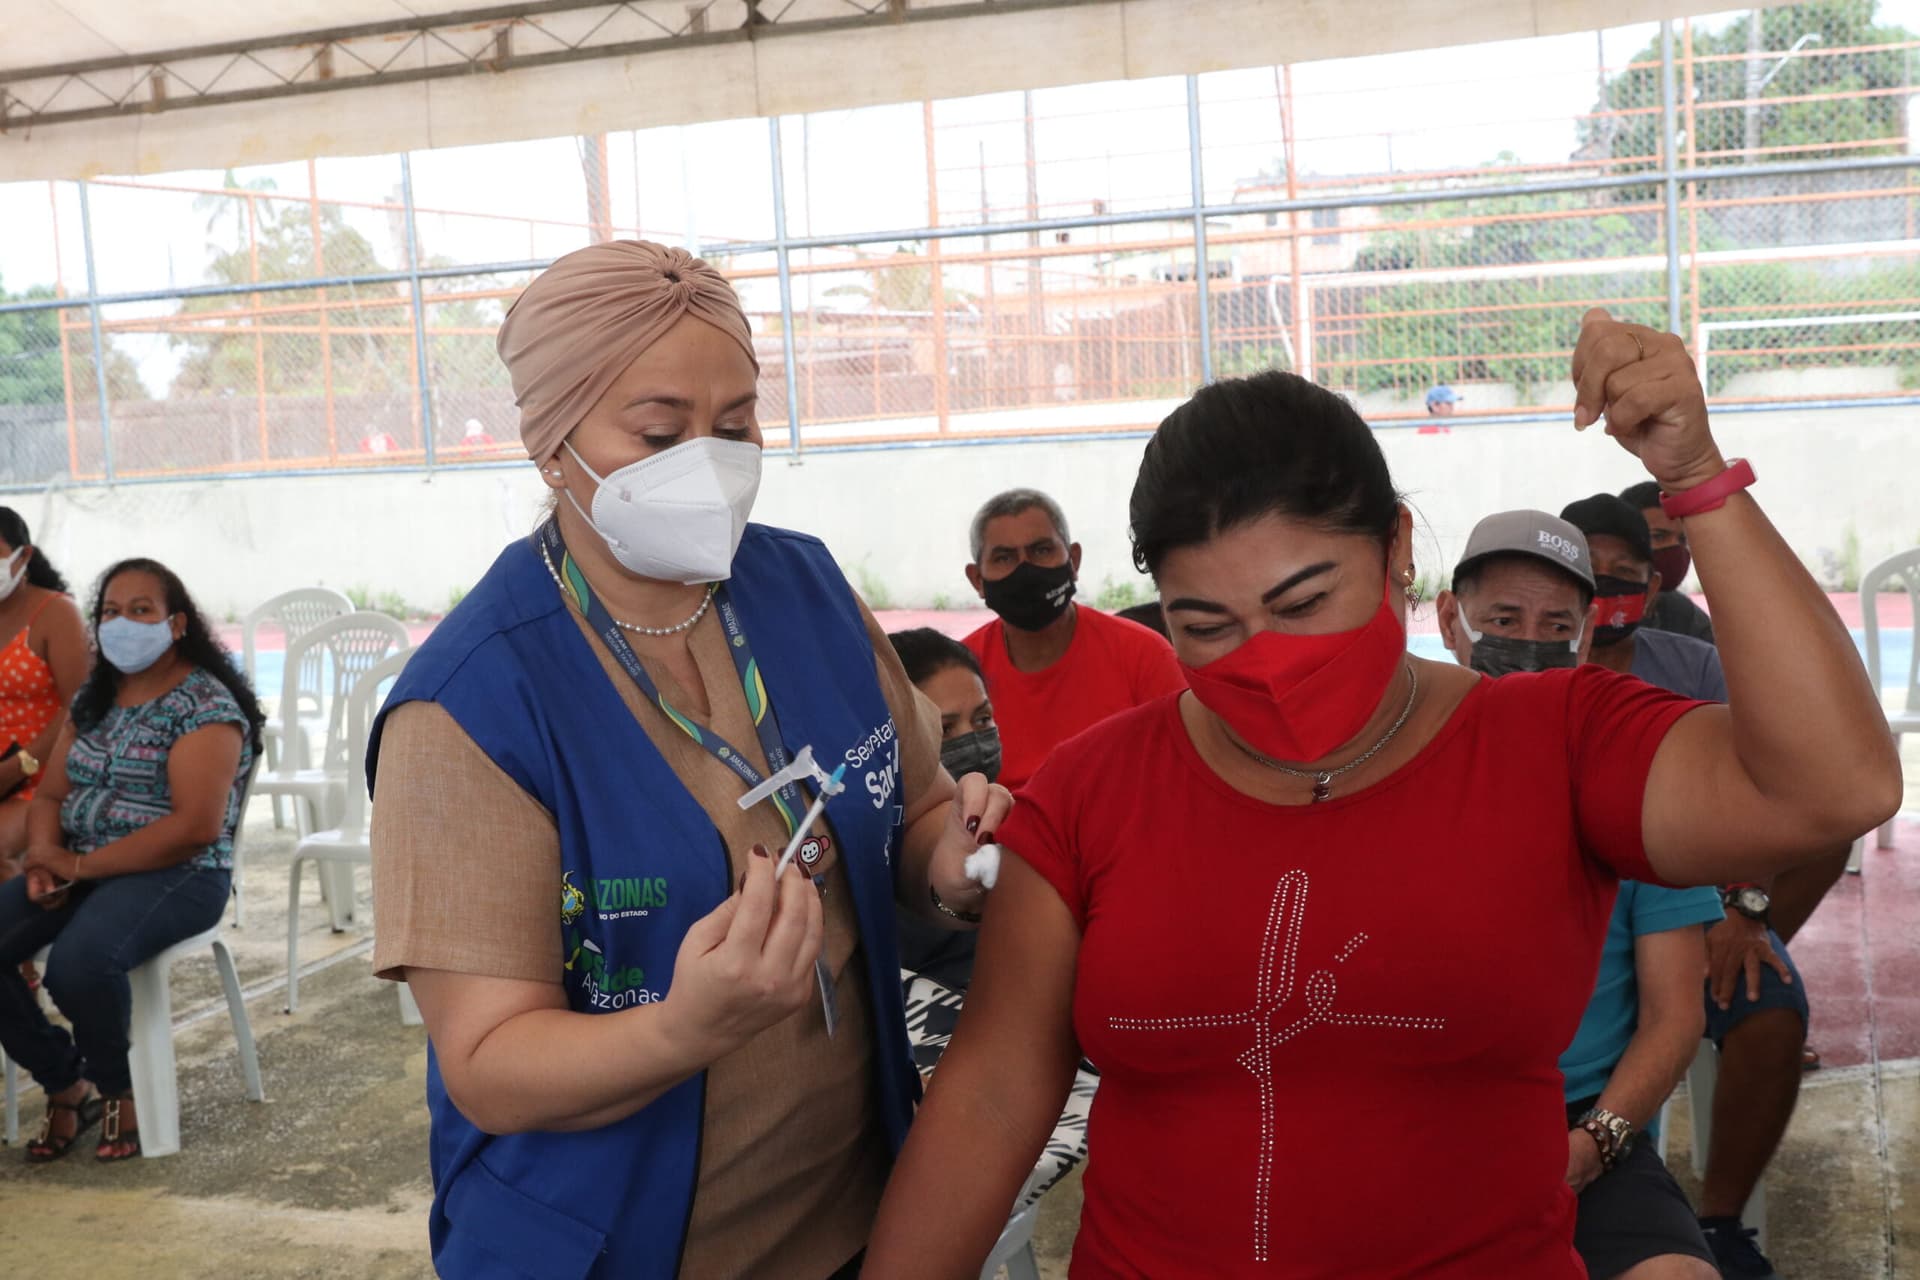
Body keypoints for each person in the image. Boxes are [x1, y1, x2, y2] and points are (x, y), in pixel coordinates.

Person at [862, 310, 1901, 1279]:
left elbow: (1832, 782)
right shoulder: (1093, 790)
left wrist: (1697, 475)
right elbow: (994, 1094)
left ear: (1401, 549)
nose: (1265, 659)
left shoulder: (1552, 741)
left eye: (1304, 600)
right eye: (1206, 624)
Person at [366, 240, 1008, 1280]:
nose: (708, 461)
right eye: (660, 430)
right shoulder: (472, 706)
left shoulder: (798, 587)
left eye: (737, 422)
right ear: (551, 442)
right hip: (614, 1244)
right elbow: (488, 1062)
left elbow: (917, 803)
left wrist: (954, 860)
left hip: (857, 1211)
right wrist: (685, 1028)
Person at [1562, 492, 1845, 1280]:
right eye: (1590, 576)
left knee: (1769, 1011)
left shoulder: (1691, 667)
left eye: (1628, 575)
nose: (1606, 593)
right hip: (1597, 944)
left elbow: (1802, 797)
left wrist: (1745, 911)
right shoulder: (1508, 681)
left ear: (1650, 589)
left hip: (1704, 907)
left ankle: (1720, 1221)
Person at [1437, 510, 1721, 1280]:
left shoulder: (1634, 785)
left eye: (1554, 623)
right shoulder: (1382, 769)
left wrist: (1593, 1146)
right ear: (1447, 620)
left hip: (1577, 1125)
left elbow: (1673, 1015)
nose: (1527, 643)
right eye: (1502, 618)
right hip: (1415, 1121)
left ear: (1586, 637)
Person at [0, 558, 261, 1163]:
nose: (122, 625)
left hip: (178, 875)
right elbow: (53, 795)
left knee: (79, 964)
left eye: (140, 611)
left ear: (175, 626)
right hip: (78, 864)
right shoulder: (97, 697)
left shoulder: (205, 705)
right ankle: (66, 1082)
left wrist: (80, 869)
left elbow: (193, 828)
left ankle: (120, 1089)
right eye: (110, 612)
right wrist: (43, 855)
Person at [962, 489, 1185, 790]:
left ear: (1074, 560)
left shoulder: (1144, 656)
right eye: (1004, 557)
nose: (1025, 570)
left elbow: (1183, 773)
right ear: (978, 579)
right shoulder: (961, 671)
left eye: (1041, 550)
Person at [888, 627, 1000, 991]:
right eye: (945, 729)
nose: (973, 740)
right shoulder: (878, 865)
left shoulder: (1011, 823)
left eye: (982, 720)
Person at [0, 510, 91, 868]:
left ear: (24, 557)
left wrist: (19, 767)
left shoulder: (56, 614)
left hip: (43, 774)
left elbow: (79, 707)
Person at [1620, 479, 1715, 643]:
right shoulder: (1589, 606)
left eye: (1682, 539)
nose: (1675, 548)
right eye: (1658, 536)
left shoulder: (1685, 616)